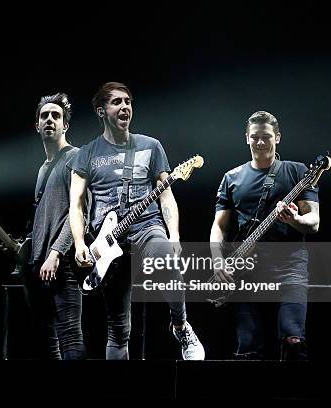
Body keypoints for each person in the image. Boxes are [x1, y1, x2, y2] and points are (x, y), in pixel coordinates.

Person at [69, 82, 205, 360]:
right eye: (117, 102)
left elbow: (166, 198)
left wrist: (174, 235)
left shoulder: (150, 146)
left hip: (146, 227)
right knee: (118, 330)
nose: (125, 107)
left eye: (128, 101)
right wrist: (80, 243)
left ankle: (180, 325)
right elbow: (76, 203)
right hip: (106, 241)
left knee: (166, 259)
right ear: (101, 111)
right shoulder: (87, 153)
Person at [210, 110, 320, 360]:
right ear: (246, 138)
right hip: (246, 270)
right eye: (255, 137)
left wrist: (295, 219)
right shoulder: (232, 178)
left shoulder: (298, 172)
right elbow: (219, 226)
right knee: (248, 347)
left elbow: (313, 222)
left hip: (289, 267)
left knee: (293, 340)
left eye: (267, 137)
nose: (261, 142)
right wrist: (218, 262)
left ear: (278, 137)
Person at [22, 92, 86, 359]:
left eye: (56, 116)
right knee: (46, 339)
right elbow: (43, 217)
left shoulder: (76, 158)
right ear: (37, 125)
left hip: (64, 261)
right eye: (44, 116)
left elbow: (79, 211)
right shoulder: (42, 169)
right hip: (39, 264)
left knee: (70, 334)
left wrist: (56, 253)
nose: (50, 119)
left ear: (65, 125)